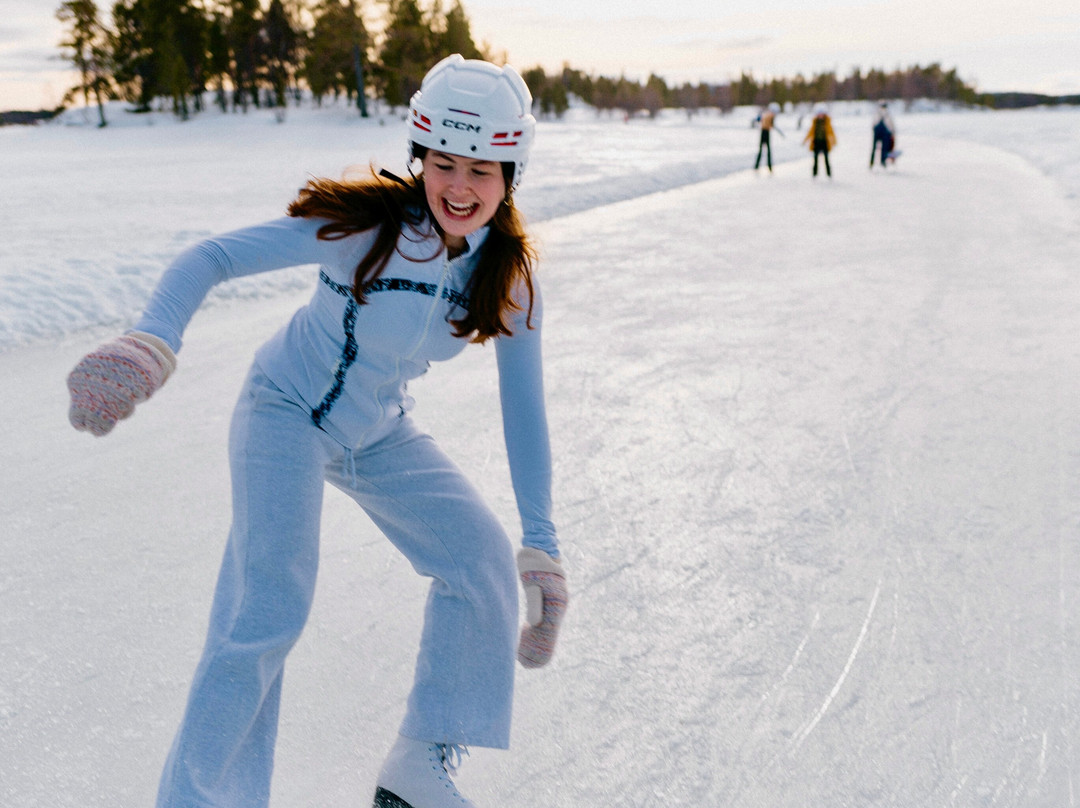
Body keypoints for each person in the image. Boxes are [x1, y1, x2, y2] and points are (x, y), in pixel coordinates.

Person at [65, 54, 568, 808]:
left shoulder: (508, 275)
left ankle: (419, 764)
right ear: (420, 158)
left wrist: (542, 541)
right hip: (285, 412)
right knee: (267, 607)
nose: (460, 187)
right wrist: (152, 340)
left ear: (511, 174)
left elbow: (523, 409)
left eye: (482, 170)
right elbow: (213, 255)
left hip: (379, 432)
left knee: (481, 562)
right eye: (444, 164)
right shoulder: (365, 227)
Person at [803, 104, 837, 178]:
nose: (820, 115)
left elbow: (831, 132)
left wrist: (834, 141)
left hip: (825, 142)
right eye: (819, 114)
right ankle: (814, 174)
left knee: (826, 159)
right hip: (816, 142)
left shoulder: (827, 122)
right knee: (815, 159)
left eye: (821, 114)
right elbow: (810, 131)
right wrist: (805, 140)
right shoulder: (815, 122)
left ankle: (829, 174)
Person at [754, 101, 784, 172]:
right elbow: (772, 124)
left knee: (761, 150)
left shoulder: (766, 114)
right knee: (767, 151)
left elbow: (760, 120)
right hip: (765, 132)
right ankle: (769, 167)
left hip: (763, 132)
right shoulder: (770, 115)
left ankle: (757, 166)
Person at [870, 100, 896, 168]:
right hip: (885, 133)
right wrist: (893, 132)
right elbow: (890, 124)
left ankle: (871, 162)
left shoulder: (877, 113)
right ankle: (883, 162)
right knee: (884, 148)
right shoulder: (887, 113)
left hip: (877, 133)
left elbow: (873, 124)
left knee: (874, 148)